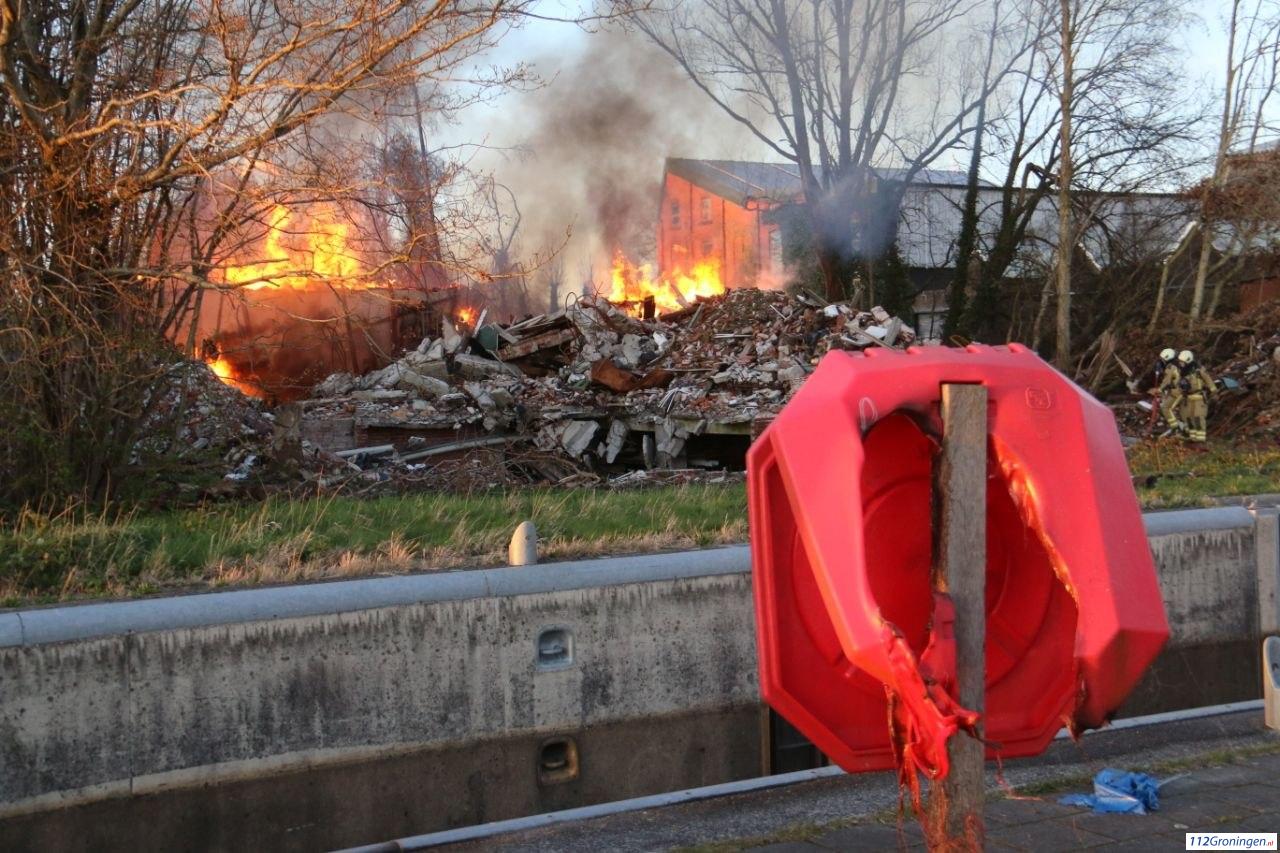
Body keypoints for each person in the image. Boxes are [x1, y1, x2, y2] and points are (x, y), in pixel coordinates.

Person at [1176, 349, 1215, 442]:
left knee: (1198, 417)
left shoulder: (1198, 371)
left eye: (1182, 362)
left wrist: (1212, 392)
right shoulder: (1182, 373)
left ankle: (1200, 439)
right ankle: (1192, 437)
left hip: (1199, 398)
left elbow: (1209, 381)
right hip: (1187, 398)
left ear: (1188, 361)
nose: (1181, 364)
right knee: (1188, 418)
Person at [1154, 348, 1183, 434]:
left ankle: (1175, 428)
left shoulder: (1171, 367)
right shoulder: (1179, 366)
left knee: (1165, 408)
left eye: (1163, 359)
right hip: (1180, 390)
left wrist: (1159, 389)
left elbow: (1166, 380)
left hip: (1178, 391)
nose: (1161, 361)